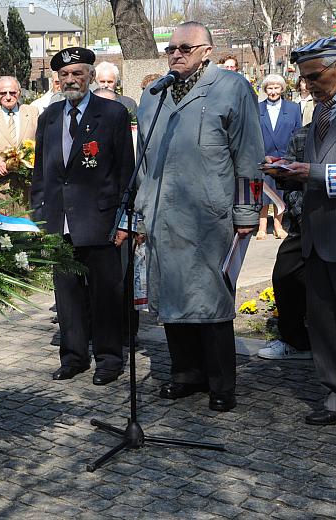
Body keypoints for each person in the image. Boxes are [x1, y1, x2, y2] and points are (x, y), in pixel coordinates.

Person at [132, 22, 264, 412]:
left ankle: (221, 383)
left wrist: (246, 211)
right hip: (161, 213)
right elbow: (143, 162)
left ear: (207, 50)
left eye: (185, 47)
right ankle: (185, 373)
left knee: (211, 301)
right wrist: (140, 212)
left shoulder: (231, 88)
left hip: (211, 215)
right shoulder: (153, 95)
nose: (175, 53)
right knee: (172, 295)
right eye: (170, 48)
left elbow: (249, 155)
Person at [263, 37, 336, 427]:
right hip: (317, 235)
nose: (306, 86)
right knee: (326, 326)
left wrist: (312, 173)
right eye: (303, 79)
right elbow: (314, 168)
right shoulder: (324, 108)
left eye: (313, 77)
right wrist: (287, 172)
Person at [31, 47, 135, 386]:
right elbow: (41, 172)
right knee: (67, 296)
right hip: (59, 221)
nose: (71, 80)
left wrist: (123, 221)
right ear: (57, 80)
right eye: (65, 75)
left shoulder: (114, 114)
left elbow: (125, 173)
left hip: (100, 221)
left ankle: (109, 358)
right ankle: (74, 356)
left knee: (106, 294)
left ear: (90, 76)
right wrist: (39, 217)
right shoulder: (49, 116)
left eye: (78, 73)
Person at [258, 123, 312, 360]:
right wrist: (280, 168)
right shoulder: (303, 133)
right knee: (285, 274)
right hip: (302, 220)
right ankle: (296, 341)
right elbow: (291, 177)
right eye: (308, 82)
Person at [256, 74, 302, 240]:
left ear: (282, 89)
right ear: (265, 89)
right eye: (270, 88)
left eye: (276, 88)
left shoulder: (293, 108)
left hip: (285, 158)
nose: (273, 91)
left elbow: (297, 133)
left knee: (280, 194)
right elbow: (253, 135)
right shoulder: (257, 107)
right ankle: (261, 227)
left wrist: (291, 157)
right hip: (264, 158)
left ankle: (278, 225)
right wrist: (262, 155)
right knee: (262, 194)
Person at [0, 76, 39, 176]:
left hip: (28, 182)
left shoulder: (32, 113)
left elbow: (42, 142)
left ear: (19, 93)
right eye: (3, 93)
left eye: (12, 93)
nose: (8, 97)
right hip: (1, 184)